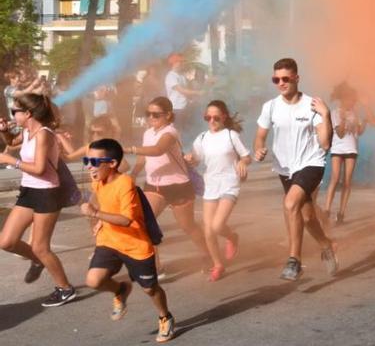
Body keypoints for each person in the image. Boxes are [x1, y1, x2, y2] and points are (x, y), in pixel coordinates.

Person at [81, 138, 175, 342]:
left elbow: (126, 219)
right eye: (87, 160)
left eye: (95, 162)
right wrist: (100, 220)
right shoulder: (97, 179)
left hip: (135, 245)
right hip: (109, 241)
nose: (89, 166)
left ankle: (165, 317)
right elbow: (100, 198)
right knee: (93, 280)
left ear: (112, 164)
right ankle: (120, 289)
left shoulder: (125, 184)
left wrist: (96, 214)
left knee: (150, 289)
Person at [253, 58, 338, 281]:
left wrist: (326, 115)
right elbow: (260, 136)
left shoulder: (312, 105)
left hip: (311, 163)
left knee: (290, 204)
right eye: (276, 79)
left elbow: (326, 143)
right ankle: (326, 245)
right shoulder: (270, 106)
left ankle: (294, 261)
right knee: (307, 216)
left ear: (296, 78)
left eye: (285, 79)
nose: (281, 83)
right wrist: (259, 149)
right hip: (285, 168)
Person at [0, 93, 77, 307]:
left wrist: (10, 161)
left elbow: (40, 169)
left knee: (41, 247)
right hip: (28, 191)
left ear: (28, 113)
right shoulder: (27, 131)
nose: (12, 114)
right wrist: (5, 132)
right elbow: (12, 142)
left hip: (47, 193)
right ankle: (37, 260)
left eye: (15, 111)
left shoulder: (44, 135)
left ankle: (65, 288)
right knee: (7, 241)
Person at [127, 97, 210, 273]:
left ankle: (207, 254)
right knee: (143, 224)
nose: (151, 118)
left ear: (168, 115)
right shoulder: (148, 132)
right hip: (154, 185)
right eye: (148, 114)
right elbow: (144, 156)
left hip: (177, 186)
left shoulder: (170, 132)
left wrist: (130, 149)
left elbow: (158, 150)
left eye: (155, 115)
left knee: (188, 226)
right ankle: (155, 268)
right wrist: (134, 173)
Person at [186, 100, 251, 281]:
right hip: (211, 185)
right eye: (208, 117)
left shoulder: (231, 135)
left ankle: (232, 237)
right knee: (208, 230)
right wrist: (190, 158)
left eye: (216, 117)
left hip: (230, 183)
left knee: (216, 226)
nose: (212, 121)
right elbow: (196, 160)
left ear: (224, 117)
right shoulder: (202, 138)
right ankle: (218, 264)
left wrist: (242, 162)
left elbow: (246, 157)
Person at [323, 82, 366, 225]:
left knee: (347, 182)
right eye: (350, 99)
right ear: (343, 99)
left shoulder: (355, 114)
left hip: (352, 149)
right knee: (335, 179)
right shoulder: (335, 113)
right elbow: (340, 134)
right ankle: (327, 211)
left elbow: (359, 132)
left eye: (353, 100)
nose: (352, 102)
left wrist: (364, 122)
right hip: (337, 149)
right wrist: (342, 120)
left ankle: (341, 213)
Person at [164, 54, 203, 136]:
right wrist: (198, 93)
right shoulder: (171, 76)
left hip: (185, 107)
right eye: (180, 62)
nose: (182, 64)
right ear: (174, 63)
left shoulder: (182, 76)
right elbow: (181, 90)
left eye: (182, 62)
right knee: (177, 130)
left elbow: (187, 91)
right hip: (176, 107)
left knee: (185, 129)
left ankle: (183, 146)